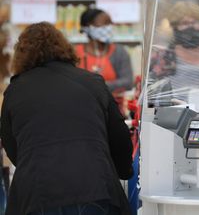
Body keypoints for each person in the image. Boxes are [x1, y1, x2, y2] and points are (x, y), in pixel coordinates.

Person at [0, 22, 133, 215]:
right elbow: (119, 137)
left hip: (38, 195)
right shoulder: (92, 82)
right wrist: (124, 172)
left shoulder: (14, 91)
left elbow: (13, 148)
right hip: (95, 189)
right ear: (64, 48)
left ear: (21, 56)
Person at [148, 1, 199, 105]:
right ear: (174, 27)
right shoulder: (159, 60)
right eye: (185, 23)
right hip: (166, 120)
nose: (191, 28)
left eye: (196, 22)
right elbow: (147, 98)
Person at [76, 8, 133, 93]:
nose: (109, 28)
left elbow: (128, 82)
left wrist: (98, 86)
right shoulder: (75, 53)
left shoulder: (119, 52)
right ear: (89, 27)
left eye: (110, 23)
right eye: (104, 24)